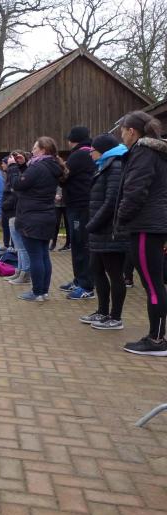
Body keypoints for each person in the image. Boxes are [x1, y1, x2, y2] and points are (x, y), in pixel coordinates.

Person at [115, 111, 167, 356]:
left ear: (131, 131)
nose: (121, 135)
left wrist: (121, 218)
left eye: (122, 130)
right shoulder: (155, 153)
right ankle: (156, 336)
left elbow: (135, 191)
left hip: (147, 225)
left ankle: (156, 340)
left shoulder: (143, 153)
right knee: (154, 283)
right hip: (151, 223)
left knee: (153, 285)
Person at [80, 134, 128, 330]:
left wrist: (92, 224)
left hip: (111, 232)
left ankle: (115, 317)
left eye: (92, 150)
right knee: (97, 270)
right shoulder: (104, 166)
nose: (90, 153)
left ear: (102, 150)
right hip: (100, 231)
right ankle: (102, 311)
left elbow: (111, 202)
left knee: (115, 274)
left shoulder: (115, 166)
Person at [9, 137, 64, 302]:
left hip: (32, 217)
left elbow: (18, 184)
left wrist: (12, 167)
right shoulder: (51, 166)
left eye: (34, 148)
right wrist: (22, 165)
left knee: (35, 256)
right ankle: (43, 291)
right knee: (43, 255)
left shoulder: (38, 167)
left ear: (43, 150)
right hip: (47, 215)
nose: (32, 151)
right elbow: (32, 181)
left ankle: (37, 292)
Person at [59, 126, 96, 300]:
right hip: (80, 204)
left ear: (72, 139)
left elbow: (63, 176)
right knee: (77, 244)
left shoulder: (79, 155)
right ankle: (78, 280)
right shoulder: (86, 153)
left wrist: (58, 164)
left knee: (81, 245)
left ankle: (86, 285)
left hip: (79, 205)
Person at [5, 151, 32, 285]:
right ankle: (19, 270)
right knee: (18, 247)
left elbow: (16, 189)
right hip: (13, 213)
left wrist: (13, 167)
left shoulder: (23, 172)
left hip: (19, 213)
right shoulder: (16, 172)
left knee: (22, 247)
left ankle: (25, 273)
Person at [52, 187, 70, 252]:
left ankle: (68, 244)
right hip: (57, 204)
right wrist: (54, 195)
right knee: (56, 224)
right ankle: (53, 243)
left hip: (67, 204)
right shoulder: (55, 181)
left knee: (67, 224)